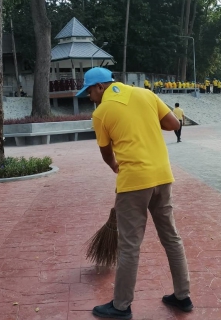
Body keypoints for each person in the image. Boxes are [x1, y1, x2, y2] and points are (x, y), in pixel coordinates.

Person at [76, 68, 192, 319]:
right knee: (171, 237)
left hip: (134, 183)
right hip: (163, 176)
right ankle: (183, 297)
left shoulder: (101, 113)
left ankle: (121, 306)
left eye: (89, 91)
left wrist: (114, 166)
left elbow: (106, 151)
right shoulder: (145, 94)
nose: (88, 96)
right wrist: (147, 120)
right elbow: (173, 124)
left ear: (100, 87)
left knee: (129, 245)